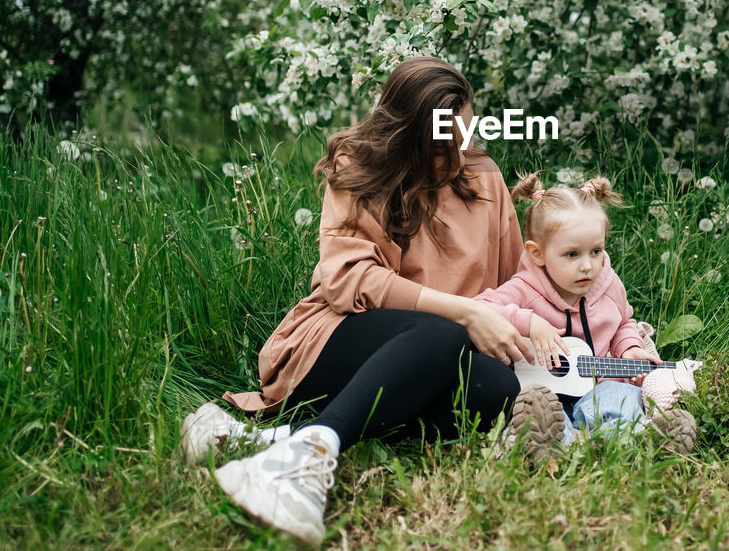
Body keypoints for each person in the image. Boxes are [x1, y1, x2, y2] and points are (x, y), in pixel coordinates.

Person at [180, 57, 538, 545]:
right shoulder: (359, 165)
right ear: (408, 130)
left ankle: (272, 442)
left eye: (464, 133)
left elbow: (517, 282)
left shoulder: (484, 177)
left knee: (500, 389)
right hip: (339, 339)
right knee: (441, 330)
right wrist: (466, 311)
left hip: (434, 357)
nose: (457, 151)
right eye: (442, 140)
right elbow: (348, 280)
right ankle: (303, 465)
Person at [476, 173, 697, 461]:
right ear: (538, 253)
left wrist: (629, 348)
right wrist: (529, 321)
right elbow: (480, 309)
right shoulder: (524, 289)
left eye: (596, 251)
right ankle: (554, 444)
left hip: (601, 382)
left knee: (620, 399)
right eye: (571, 254)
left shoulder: (607, 283)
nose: (587, 266)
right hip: (547, 393)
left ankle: (637, 440)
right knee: (540, 411)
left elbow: (622, 323)